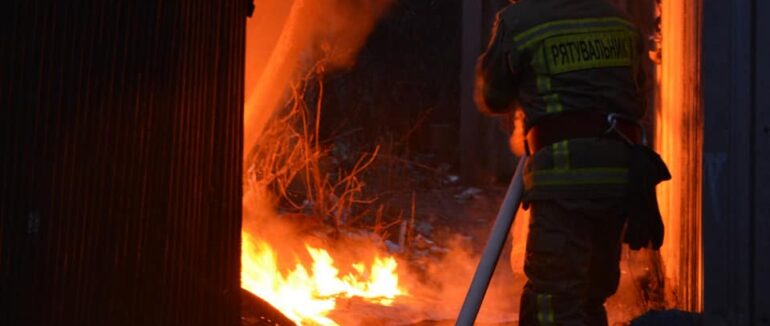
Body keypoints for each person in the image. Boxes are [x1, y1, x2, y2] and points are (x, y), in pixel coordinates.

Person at [475, 0, 669, 325]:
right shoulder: (619, 21)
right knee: (592, 297)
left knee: (553, 301)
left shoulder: (519, 20)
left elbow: (493, 96)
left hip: (563, 181)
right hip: (617, 178)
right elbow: (638, 95)